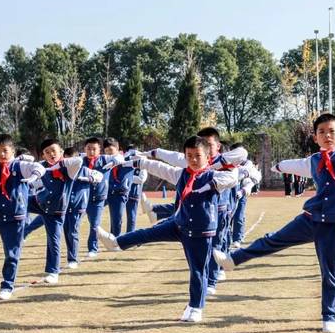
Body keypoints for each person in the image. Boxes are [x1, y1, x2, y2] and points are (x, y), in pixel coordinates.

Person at [213, 113, 335, 333]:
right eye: (321, 132)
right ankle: (233, 260)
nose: (327, 136)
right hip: (311, 218)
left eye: (332, 131)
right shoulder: (314, 159)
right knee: (273, 240)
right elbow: (296, 165)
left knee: (331, 271)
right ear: (315, 137)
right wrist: (277, 166)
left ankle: (329, 317)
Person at [96, 136, 243, 322]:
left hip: (201, 231)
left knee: (197, 270)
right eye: (189, 155)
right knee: (147, 233)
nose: (193, 160)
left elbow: (232, 177)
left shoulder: (214, 175)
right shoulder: (181, 174)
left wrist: (209, 183)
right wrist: (130, 162)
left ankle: (195, 307)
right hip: (178, 224)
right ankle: (116, 242)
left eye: (198, 155)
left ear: (208, 156)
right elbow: (158, 167)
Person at [0, 134, 45, 300]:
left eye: (5, 151)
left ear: (12, 151)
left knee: (12, 254)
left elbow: (39, 168)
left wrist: (34, 176)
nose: (1, 154)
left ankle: (7, 286)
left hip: (15, 217)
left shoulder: (19, 166)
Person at [27, 138, 83, 283]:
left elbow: (79, 161)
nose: (51, 154)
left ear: (61, 152)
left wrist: (60, 163)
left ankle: (53, 273)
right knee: (13, 202)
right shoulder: (41, 166)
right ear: (43, 155)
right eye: (47, 152)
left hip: (56, 211)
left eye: (54, 151)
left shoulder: (69, 169)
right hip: (39, 202)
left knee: (54, 239)